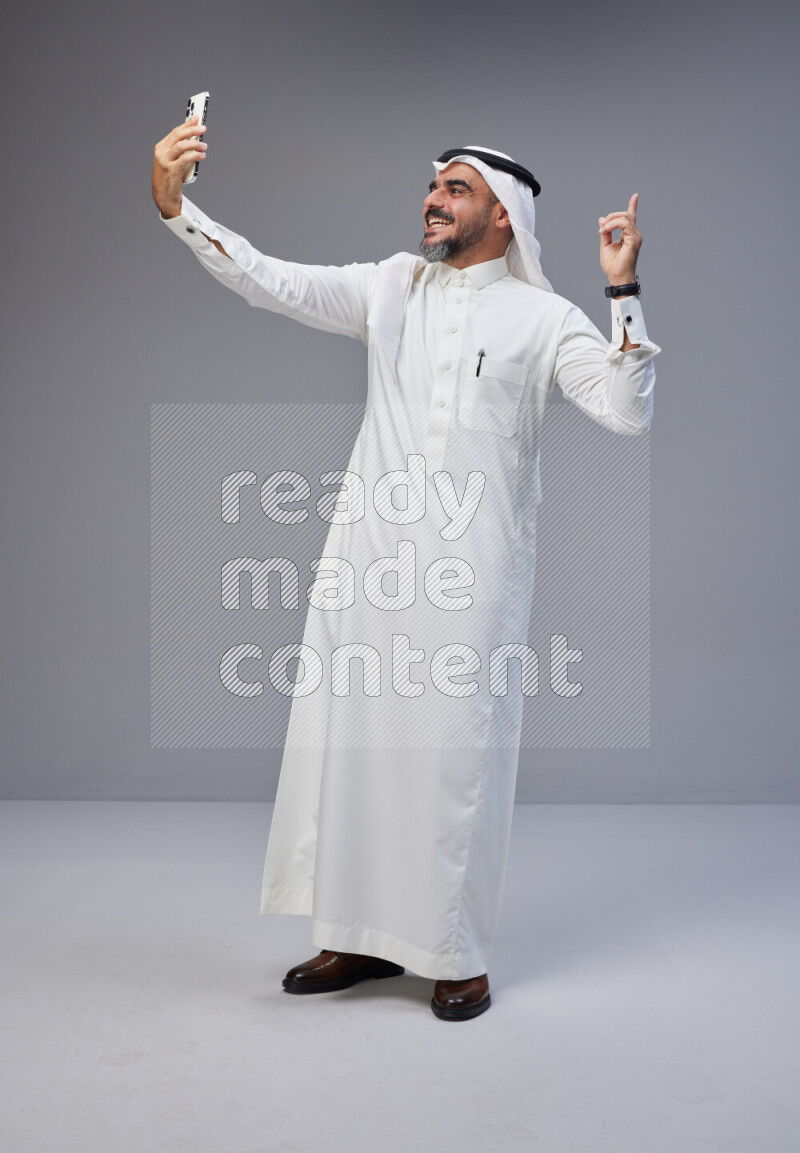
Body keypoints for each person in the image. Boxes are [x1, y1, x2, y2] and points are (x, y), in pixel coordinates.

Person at [152, 116, 659, 1021]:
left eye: (455, 189)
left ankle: (455, 954)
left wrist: (623, 289)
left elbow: (625, 411)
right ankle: (353, 936)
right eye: (433, 186)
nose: (433, 199)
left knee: (452, 760)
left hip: (474, 575)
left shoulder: (544, 318)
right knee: (355, 748)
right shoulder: (390, 289)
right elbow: (270, 279)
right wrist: (176, 207)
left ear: (502, 216)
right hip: (370, 562)